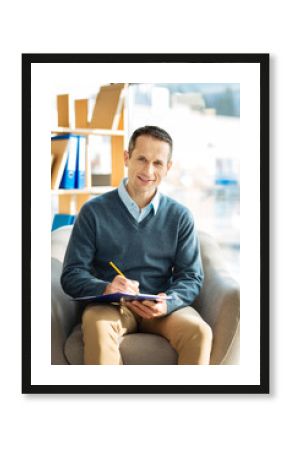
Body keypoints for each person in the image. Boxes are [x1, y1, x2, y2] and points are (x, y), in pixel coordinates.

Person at [61, 125, 212, 365]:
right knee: (98, 327)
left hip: (161, 309)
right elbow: (71, 275)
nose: (148, 170)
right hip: (111, 306)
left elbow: (191, 277)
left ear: (168, 167)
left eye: (158, 163)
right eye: (141, 158)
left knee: (199, 332)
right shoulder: (93, 212)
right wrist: (106, 287)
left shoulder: (180, 216)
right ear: (126, 157)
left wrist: (168, 302)